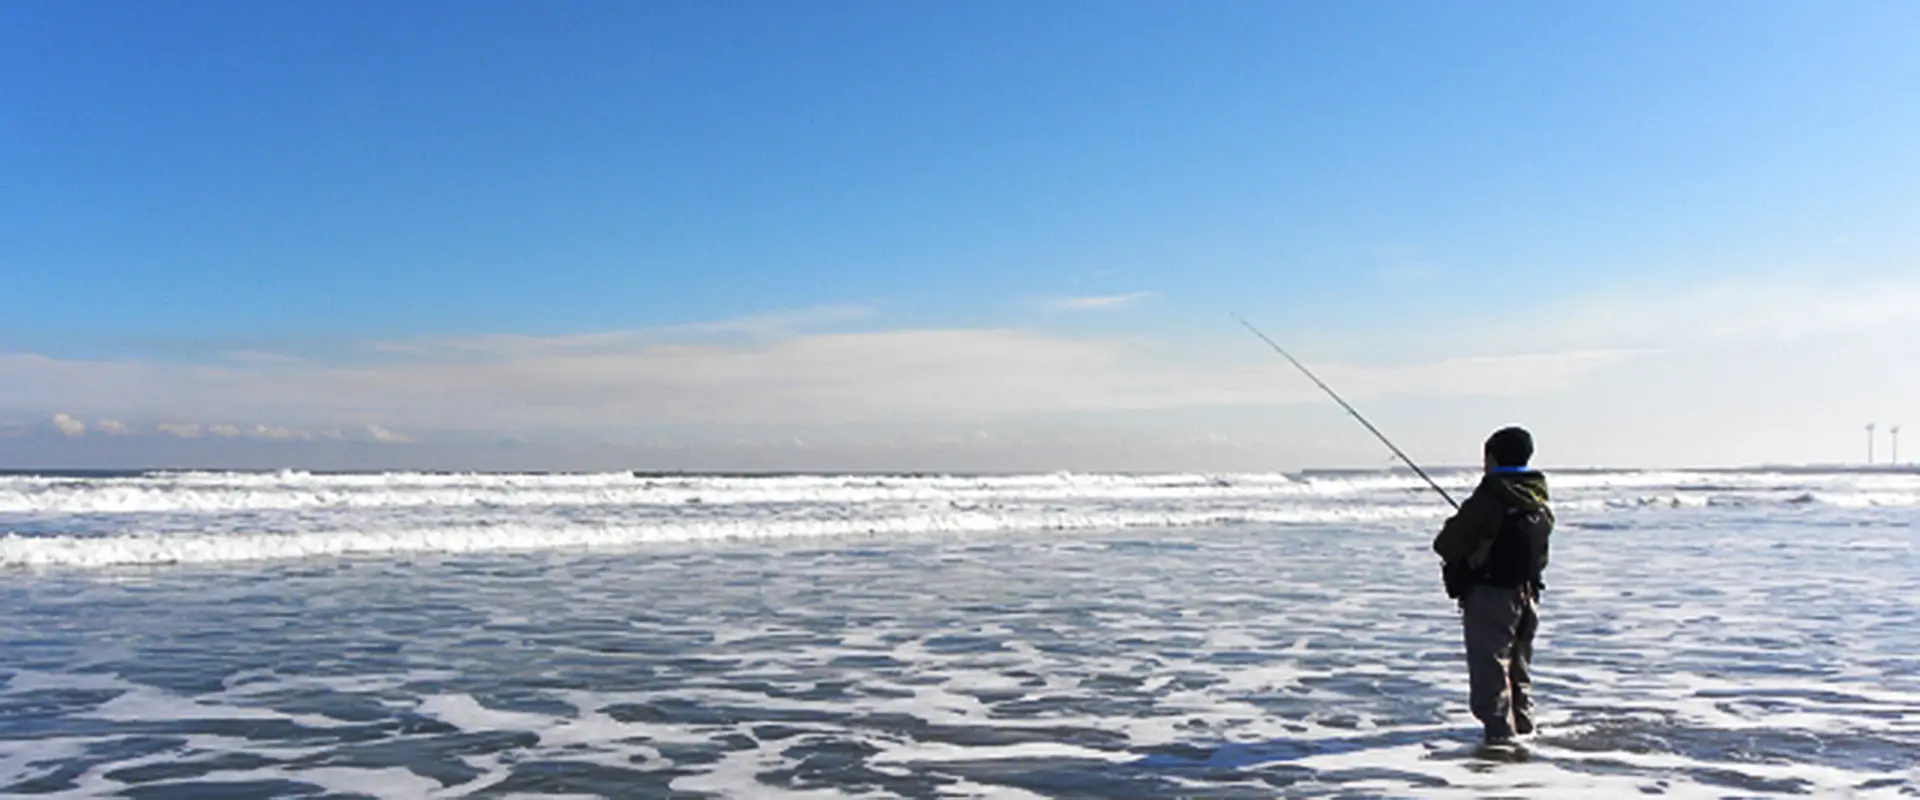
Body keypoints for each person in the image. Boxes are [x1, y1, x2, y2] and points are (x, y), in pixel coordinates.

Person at [1432, 426, 1554, 746]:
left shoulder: (1489, 497)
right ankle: (1525, 734)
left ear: (1493, 458)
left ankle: (1501, 746)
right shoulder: (1538, 496)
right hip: (1529, 594)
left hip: (1490, 595)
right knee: (1519, 671)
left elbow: (1446, 544)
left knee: (1491, 674)